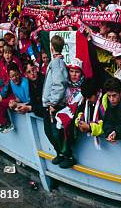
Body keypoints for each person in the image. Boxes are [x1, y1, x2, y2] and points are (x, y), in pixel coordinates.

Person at [42, 35, 70, 166]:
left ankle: (65, 155)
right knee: (51, 132)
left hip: (54, 106)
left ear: (51, 48)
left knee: (53, 132)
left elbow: (59, 85)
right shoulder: (56, 62)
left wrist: (53, 103)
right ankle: (60, 153)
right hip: (51, 104)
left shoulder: (56, 63)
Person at [0, 61, 28, 133]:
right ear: (9, 77)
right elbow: (6, 89)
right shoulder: (11, 82)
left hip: (26, 105)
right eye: (12, 76)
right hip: (18, 101)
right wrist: (2, 96)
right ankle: (5, 123)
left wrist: (17, 103)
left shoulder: (25, 83)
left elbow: (29, 101)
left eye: (16, 75)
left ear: (19, 73)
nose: (15, 78)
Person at [102, 78, 121, 143]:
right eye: (109, 96)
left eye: (114, 95)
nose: (111, 99)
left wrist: (116, 132)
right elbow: (107, 123)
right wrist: (110, 132)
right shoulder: (109, 104)